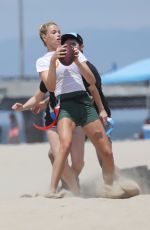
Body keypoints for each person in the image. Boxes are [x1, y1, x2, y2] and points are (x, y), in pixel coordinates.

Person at [35, 20, 126, 198]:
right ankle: (52, 190)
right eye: (53, 32)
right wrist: (54, 60)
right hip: (65, 105)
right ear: (44, 37)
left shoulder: (74, 52)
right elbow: (51, 87)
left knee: (106, 149)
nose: (58, 34)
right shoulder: (43, 61)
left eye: (59, 31)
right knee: (65, 145)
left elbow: (91, 81)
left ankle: (110, 188)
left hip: (85, 102)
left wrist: (77, 60)